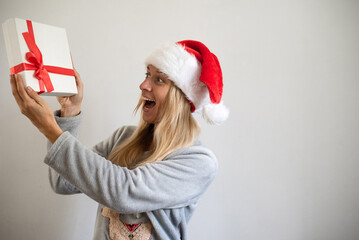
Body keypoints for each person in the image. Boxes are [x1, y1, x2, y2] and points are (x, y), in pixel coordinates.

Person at [10, 40, 229, 240]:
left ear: (183, 97)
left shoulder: (198, 162)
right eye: (147, 74)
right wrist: (70, 113)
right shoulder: (123, 138)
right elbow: (64, 182)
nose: (144, 85)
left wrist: (49, 128)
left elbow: (123, 191)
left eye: (159, 79)